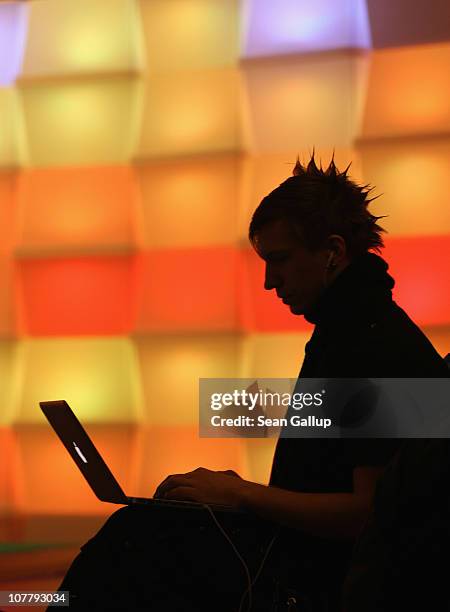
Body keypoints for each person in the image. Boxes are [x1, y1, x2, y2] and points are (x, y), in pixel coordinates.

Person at [55, 154, 448, 610]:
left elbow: (368, 516)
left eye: (279, 260)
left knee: (132, 544)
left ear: (333, 253)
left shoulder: (374, 344)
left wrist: (241, 494)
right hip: (300, 561)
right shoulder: (356, 331)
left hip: (312, 583)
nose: (268, 282)